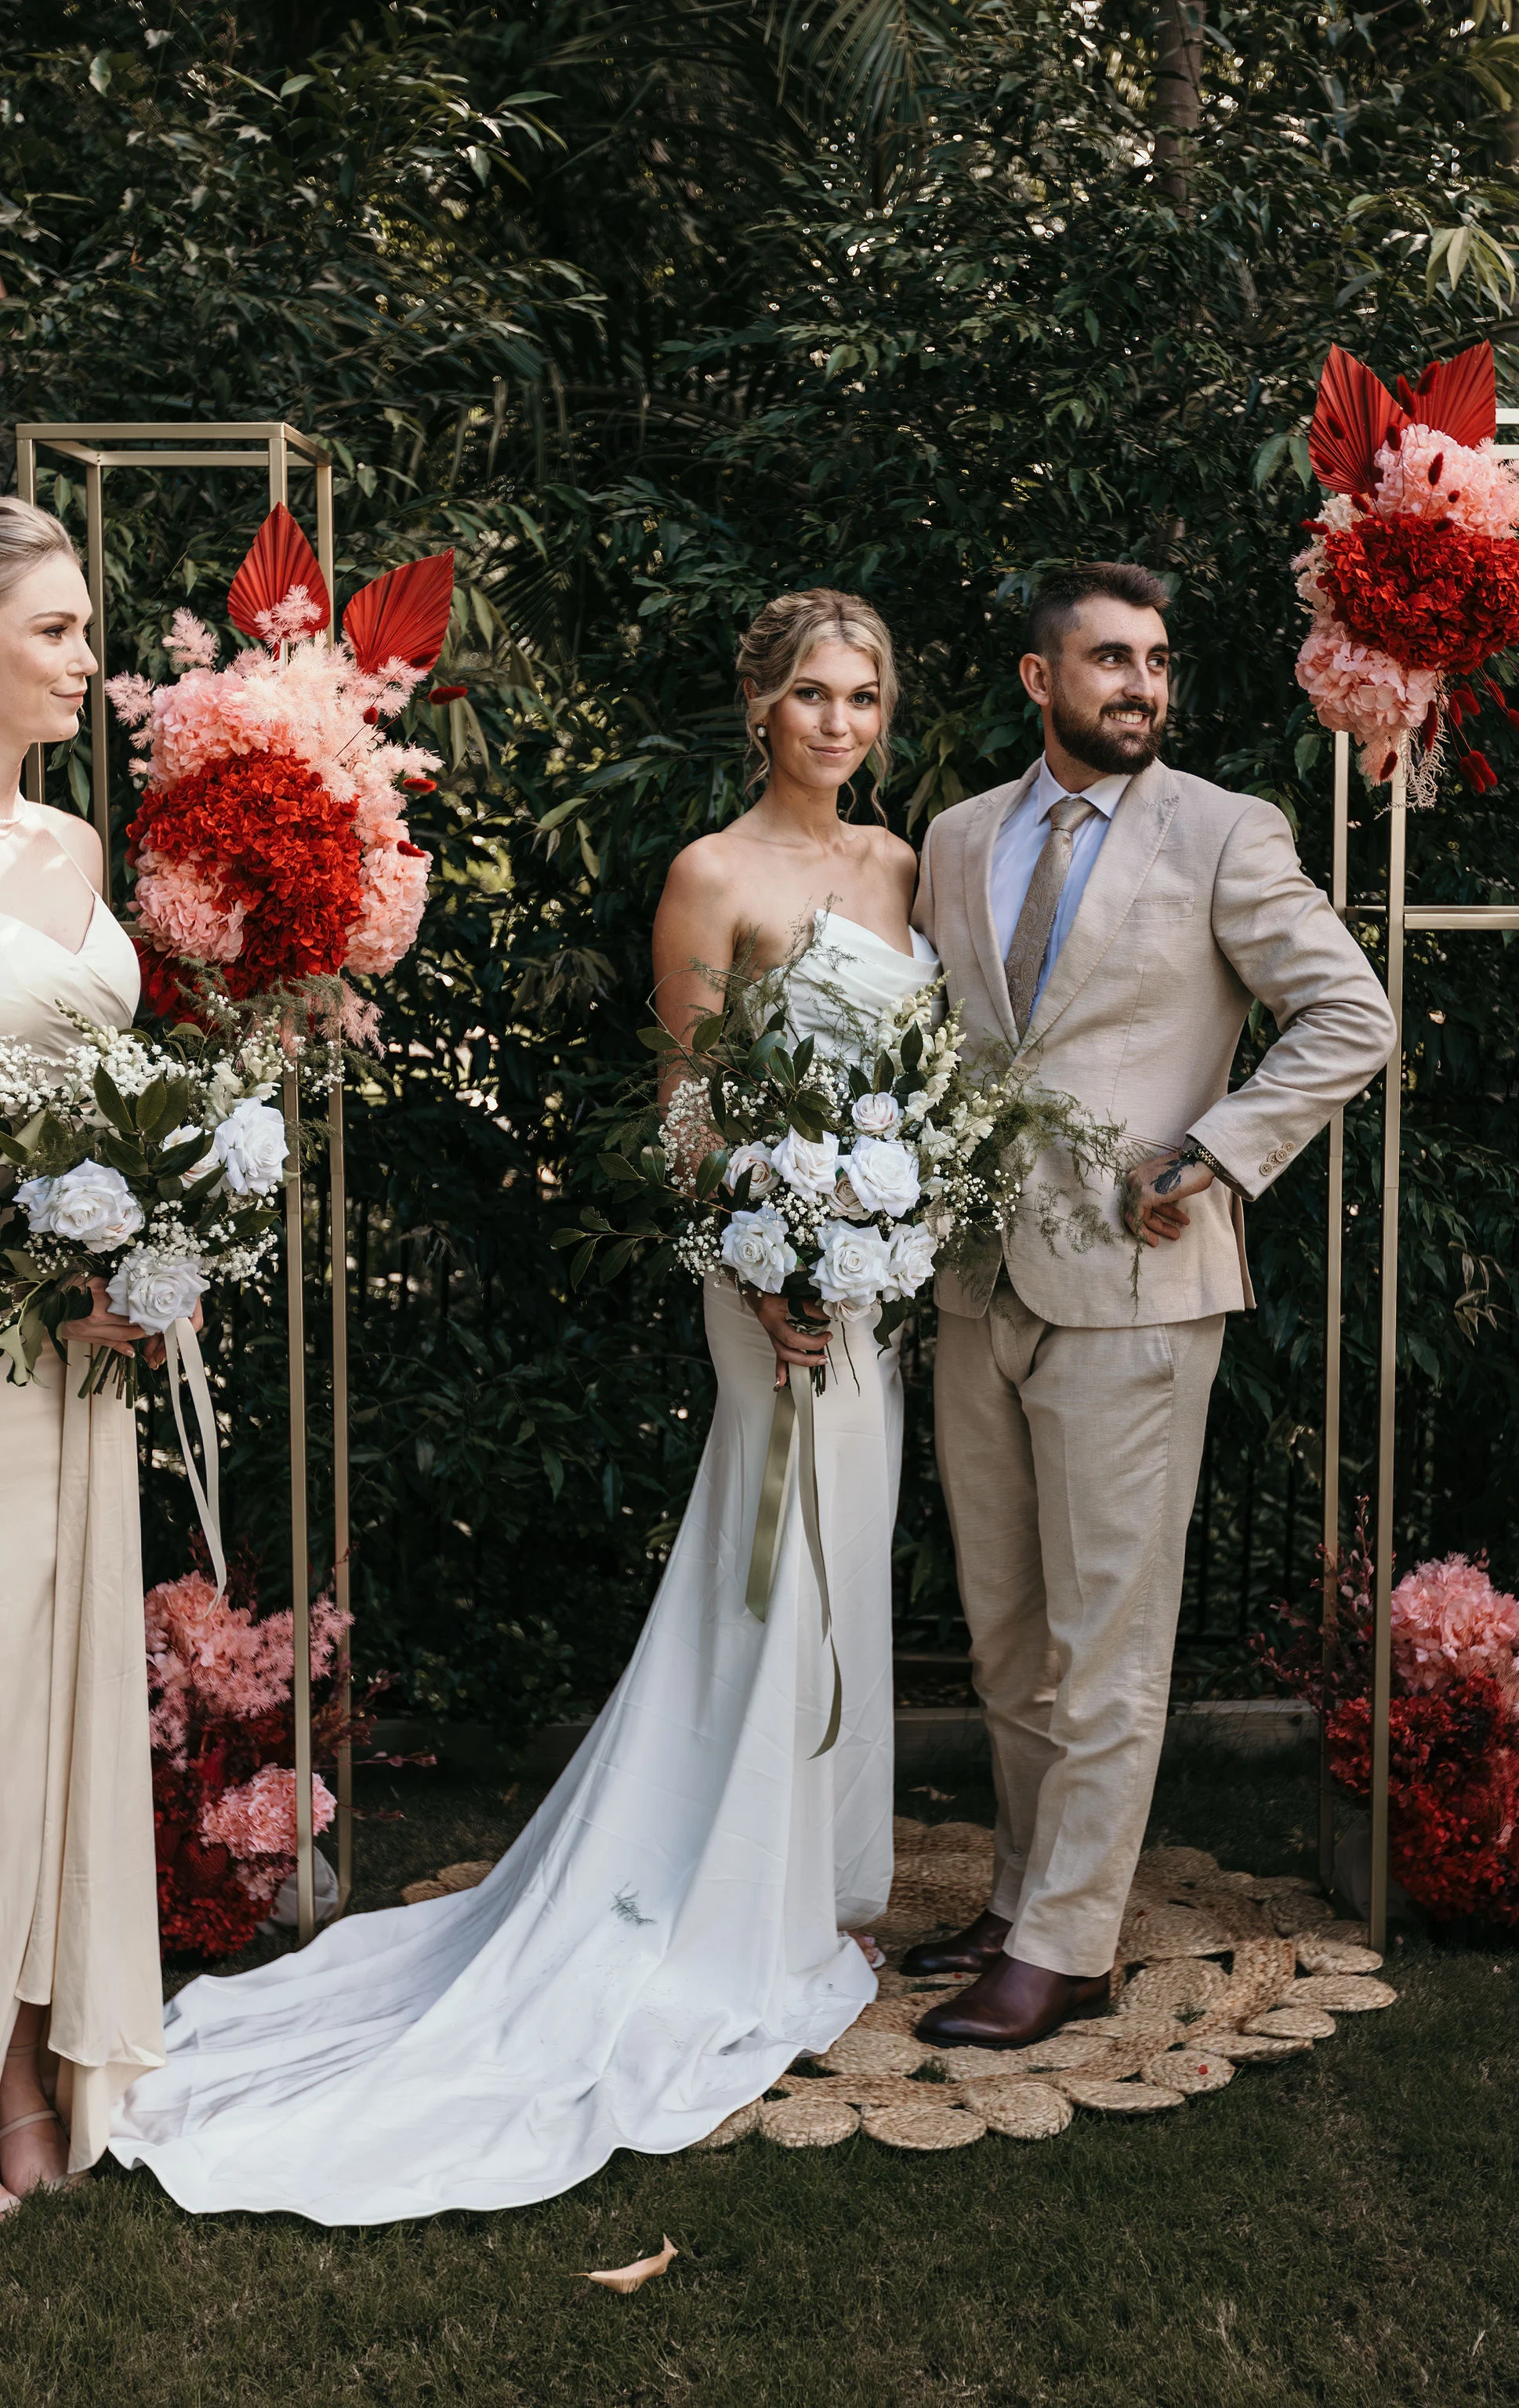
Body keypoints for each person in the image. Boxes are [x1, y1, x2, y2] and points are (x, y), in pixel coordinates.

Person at [109, 587, 933, 2221]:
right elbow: (691, 1107)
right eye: (813, 697)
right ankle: (737, 1905)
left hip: (876, 1266)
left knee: (849, 1541)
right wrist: (762, 1258)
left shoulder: (903, 869)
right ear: (758, 707)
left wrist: (889, 1215)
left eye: (865, 698)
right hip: (760, 1267)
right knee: (774, 1545)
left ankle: (815, 1872)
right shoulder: (711, 874)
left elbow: (918, 1076)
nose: (840, 725)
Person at [908, 561, 1395, 2048]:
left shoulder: (1228, 832)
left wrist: (1219, 1152)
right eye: (1111, 660)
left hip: (1137, 1278)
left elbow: (1350, 1014)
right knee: (1005, 1625)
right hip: (977, 1275)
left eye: (1159, 661)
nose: (1144, 685)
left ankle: (1070, 1945)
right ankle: (1019, 1894)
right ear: (1037, 680)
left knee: (1108, 1634)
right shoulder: (953, 837)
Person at [0, 497, 167, 2208]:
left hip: (83, 1348)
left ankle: (49, 2045)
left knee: (58, 1685)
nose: (86, 658)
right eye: (56, 629)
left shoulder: (71, 851)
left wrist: (140, 1243)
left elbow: (110, 1099)